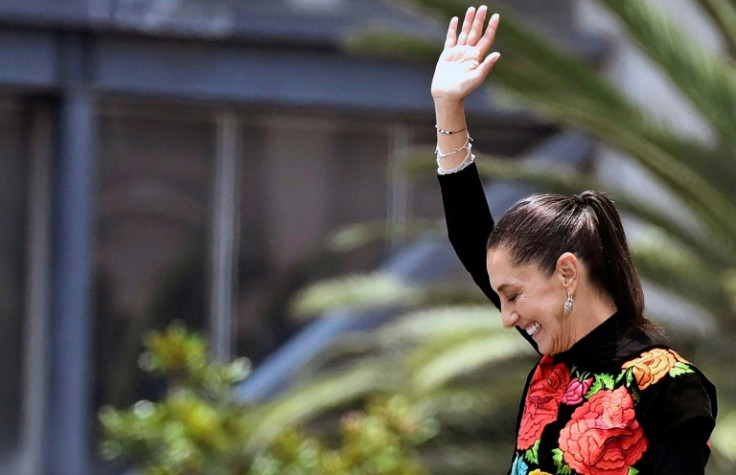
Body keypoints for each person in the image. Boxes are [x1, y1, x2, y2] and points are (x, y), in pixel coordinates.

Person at [432, 5, 717, 475]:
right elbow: (470, 237)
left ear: (567, 272)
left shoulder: (671, 386)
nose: (506, 318)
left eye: (513, 295)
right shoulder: (557, 365)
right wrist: (448, 107)